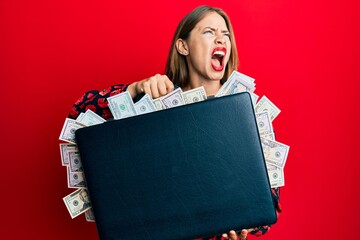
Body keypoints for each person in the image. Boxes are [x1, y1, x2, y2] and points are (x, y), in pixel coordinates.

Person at [68, 5, 282, 240]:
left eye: (226, 34)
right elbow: (79, 112)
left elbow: (269, 202)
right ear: (183, 46)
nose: (221, 39)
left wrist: (248, 225)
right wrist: (135, 89)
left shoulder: (247, 113)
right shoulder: (156, 100)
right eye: (209, 32)